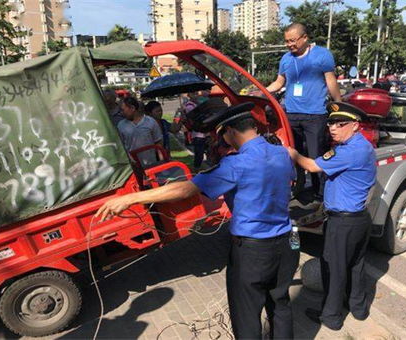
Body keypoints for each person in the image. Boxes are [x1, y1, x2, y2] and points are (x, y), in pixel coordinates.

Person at [96, 103, 300, 339]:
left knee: (247, 314)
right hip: (287, 242)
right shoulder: (282, 153)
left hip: (253, 251)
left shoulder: (235, 164)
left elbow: (186, 189)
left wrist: (133, 198)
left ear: (231, 131)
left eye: (223, 135)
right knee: (280, 304)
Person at [287, 102, 376, 331]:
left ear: (355, 125)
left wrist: (292, 152)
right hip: (359, 219)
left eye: (340, 124)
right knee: (355, 266)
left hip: (343, 223)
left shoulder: (347, 152)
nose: (333, 128)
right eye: (330, 124)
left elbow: (311, 166)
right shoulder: (362, 146)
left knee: (333, 270)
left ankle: (331, 318)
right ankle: (359, 308)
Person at [267, 23, 341, 202]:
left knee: (316, 157)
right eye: (286, 41)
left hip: (315, 115)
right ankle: (298, 188)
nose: (289, 44)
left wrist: (340, 106)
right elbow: (279, 83)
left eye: (292, 41)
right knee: (294, 155)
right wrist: (261, 91)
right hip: (291, 115)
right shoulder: (285, 59)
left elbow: (331, 82)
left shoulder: (322, 55)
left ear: (305, 38)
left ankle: (321, 194)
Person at [117, 96, 163, 167]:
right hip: (133, 168)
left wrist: (162, 162)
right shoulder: (121, 125)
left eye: (123, 110)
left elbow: (158, 143)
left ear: (132, 108)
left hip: (152, 165)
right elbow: (121, 147)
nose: (121, 113)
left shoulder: (150, 122)